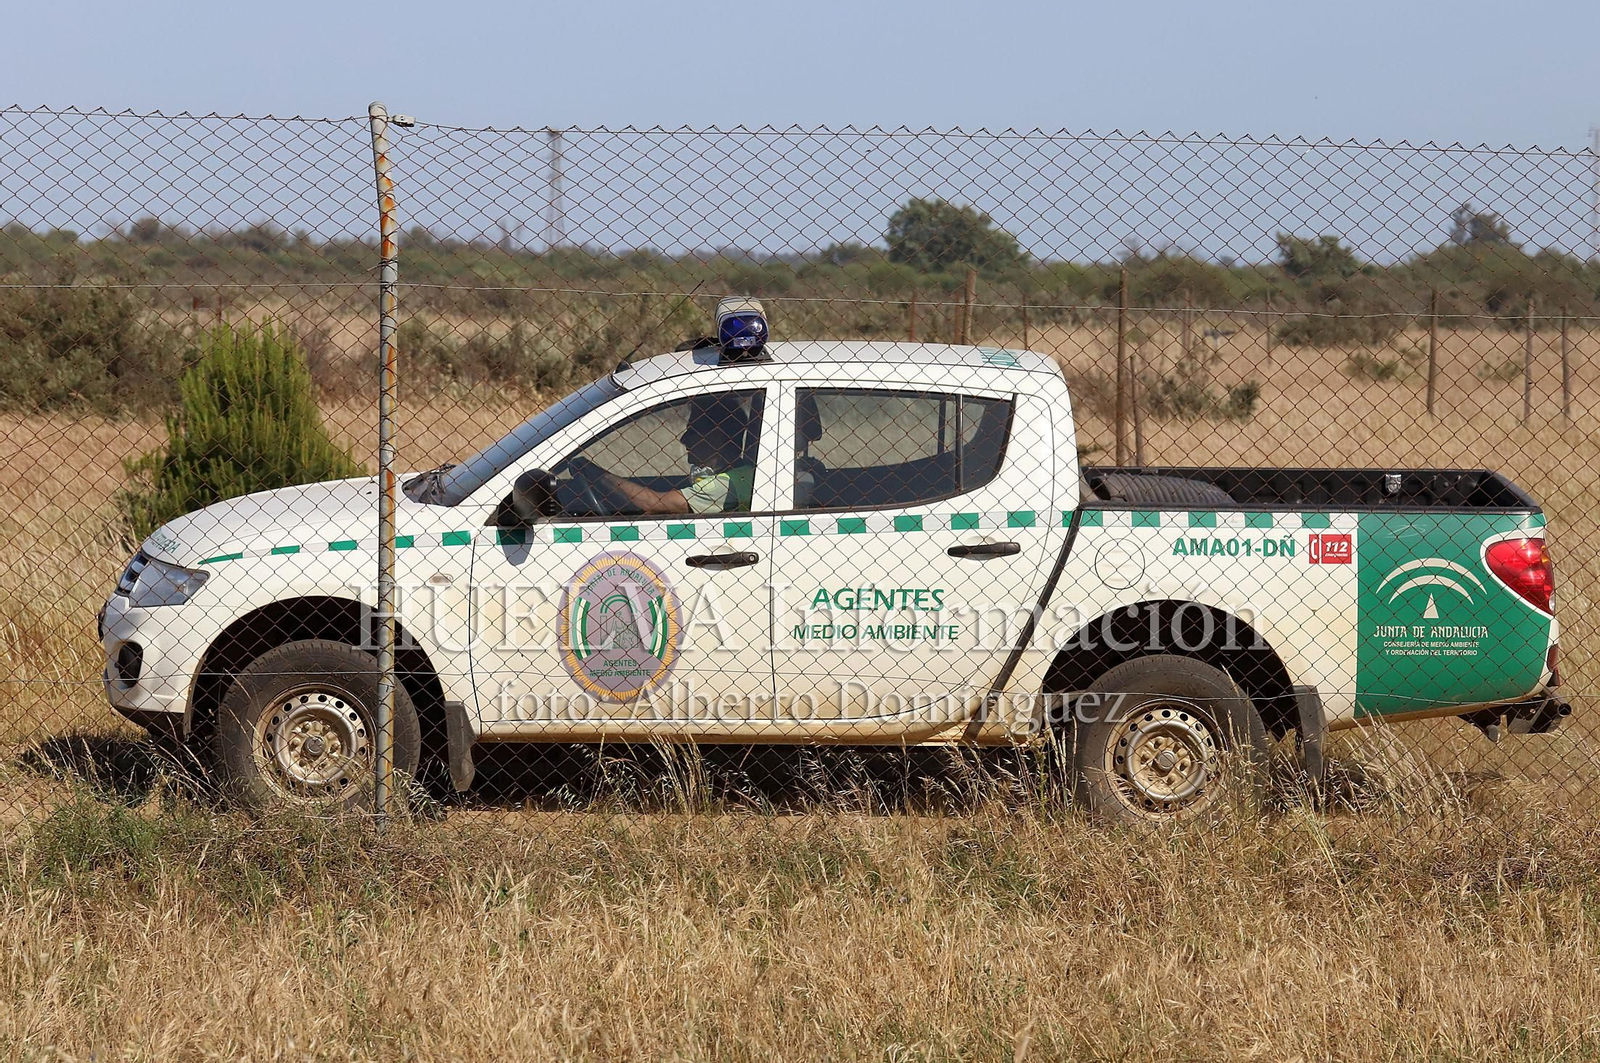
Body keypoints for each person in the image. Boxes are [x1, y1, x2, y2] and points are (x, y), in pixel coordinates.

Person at [593, 394, 755, 515]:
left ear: (716, 437)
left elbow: (653, 503)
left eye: (693, 431)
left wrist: (596, 474)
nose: (684, 439)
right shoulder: (741, 475)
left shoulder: (724, 486)